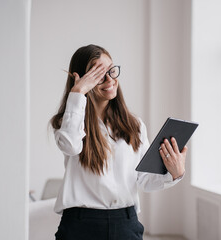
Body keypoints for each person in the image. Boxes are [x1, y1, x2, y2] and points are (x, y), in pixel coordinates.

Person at [50, 44, 188, 240]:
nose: (109, 80)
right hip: (80, 225)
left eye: (111, 71)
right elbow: (71, 146)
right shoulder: (67, 122)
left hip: (125, 222)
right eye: (98, 74)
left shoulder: (135, 125)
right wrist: (78, 92)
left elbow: (145, 180)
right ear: (81, 78)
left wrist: (174, 173)